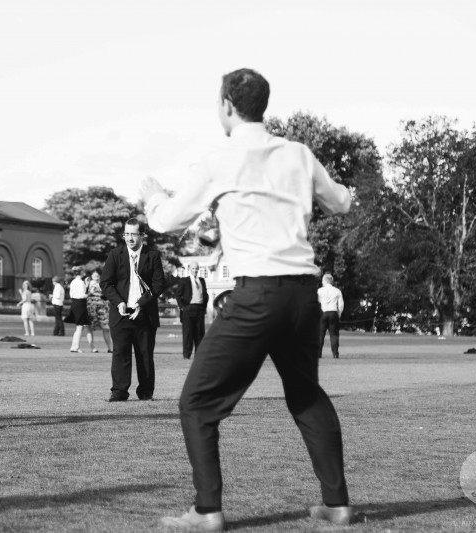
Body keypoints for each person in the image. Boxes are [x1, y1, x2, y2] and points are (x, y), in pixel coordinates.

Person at [142, 68, 354, 530]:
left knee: (196, 404)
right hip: (303, 295)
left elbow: (168, 222)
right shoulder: (298, 154)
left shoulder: (219, 159)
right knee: (305, 395)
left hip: (258, 294)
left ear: (227, 106)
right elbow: (340, 203)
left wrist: (153, 197)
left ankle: (207, 511)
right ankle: (337, 505)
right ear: (263, 104)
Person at [100, 218, 165, 402]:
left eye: (133, 234)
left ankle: (145, 393)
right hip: (121, 313)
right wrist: (119, 302)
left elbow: (159, 284)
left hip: (145, 313)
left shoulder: (152, 255)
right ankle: (119, 392)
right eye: (126, 234)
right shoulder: (115, 254)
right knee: (120, 353)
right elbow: (105, 283)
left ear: (142, 235)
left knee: (145, 355)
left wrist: (141, 304)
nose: (129, 238)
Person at [175, 262, 209, 360]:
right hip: (188, 309)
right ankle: (187, 355)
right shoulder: (184, 281)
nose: (195, 270)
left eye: (197, 268)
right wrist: (182, 307)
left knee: (199, 333)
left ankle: (199, 355)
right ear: (190, 269)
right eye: (193, 268)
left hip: (200, 309)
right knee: (188, 333)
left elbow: (205, 295)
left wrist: (204, 307)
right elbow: (178, 295)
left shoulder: (202, 280)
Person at [318, 274, 344, 359]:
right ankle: (335, 353)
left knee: (320, 334)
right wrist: (339, 313)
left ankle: (318, 354)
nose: (322, 282)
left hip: (323, 313)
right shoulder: (337, 291)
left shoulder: (320, 291)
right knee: (334, 334)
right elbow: (341, 305)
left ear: (325, 281)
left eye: (322, 280)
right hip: (333, 313)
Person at [87, 270, 113, 353]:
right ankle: (92, 348)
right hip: (92, 307)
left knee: (106, 328)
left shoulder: (102, 284)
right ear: (91, 276)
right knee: (90, 328)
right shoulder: (88, 284)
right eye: (95, 276)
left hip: (102, 307)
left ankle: (110, 348)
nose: (96, 278)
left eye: (97, 276)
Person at [68, 268, 92, 352]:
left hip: (74, 303)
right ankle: (76, 347)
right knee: (80, 327)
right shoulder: (80, 282)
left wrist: (87, 285)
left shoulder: (73, 282)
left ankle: (74, 346)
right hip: (80, 304)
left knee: (78, 327)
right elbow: (82, 295)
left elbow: (71, 294)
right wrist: (89, 294)